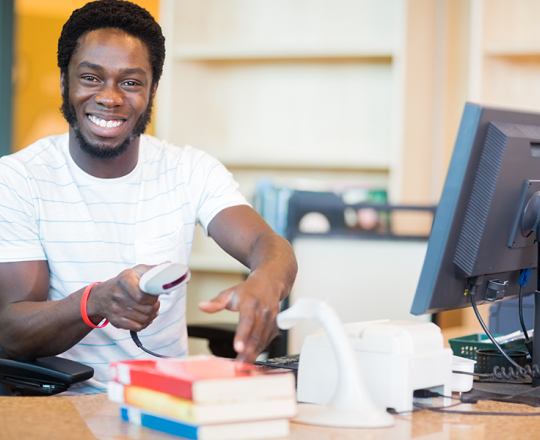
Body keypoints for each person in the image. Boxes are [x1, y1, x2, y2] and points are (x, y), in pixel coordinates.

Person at [0, 0, 297, 394]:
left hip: (165, 402)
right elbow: (11, 330)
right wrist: (94, 302)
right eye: (90, 78)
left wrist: (265, 282)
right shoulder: (19, 179)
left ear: (153, 89)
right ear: (64, 81)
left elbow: (268, 244)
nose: (110, 98)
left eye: (130, 82)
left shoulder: (190, 169)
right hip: (64, 405)